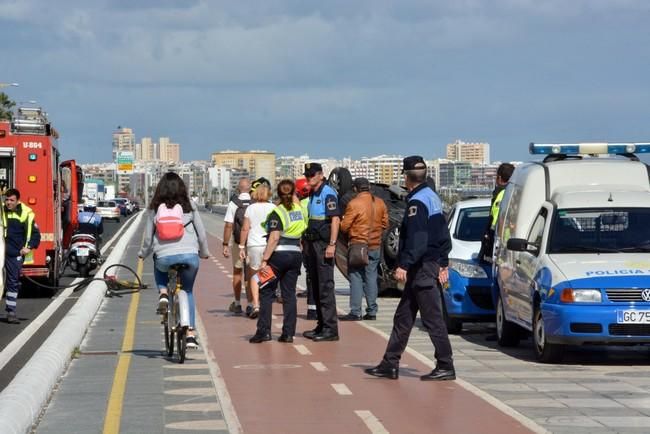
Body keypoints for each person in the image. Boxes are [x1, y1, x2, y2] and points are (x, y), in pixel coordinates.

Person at [365, 156, 455, 381]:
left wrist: (404, 264)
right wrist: (443, 261)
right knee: (403, 317)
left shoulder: (417, 203)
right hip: (428, 264)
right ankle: (390, 363)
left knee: (433, 318)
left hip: (421, 267)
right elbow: (443, 235)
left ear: (406, 178)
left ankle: (445, 365)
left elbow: (418, 238)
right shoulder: (432, 197)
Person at [138, 172, 211, 349]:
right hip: (190, 256)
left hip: (164, 256)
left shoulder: (155, 208)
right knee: (187, 290)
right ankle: (191, 333)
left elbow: (148, 238)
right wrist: (204, 252)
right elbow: (201, 233)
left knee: (158, 266)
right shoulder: (190, 206)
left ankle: (163, 293)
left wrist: (143, 254)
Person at [249, 180, 307, 343]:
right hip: (296, 255)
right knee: (289, 294)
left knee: (266, 289)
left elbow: (274, 237)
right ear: (294, 193)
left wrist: (265, 260)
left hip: (278, 257)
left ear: (278, 194)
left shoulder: (278, 212)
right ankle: (288, 333)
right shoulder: (300, 210)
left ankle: (263, 331)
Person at [301, 163, 341, 342]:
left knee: (325, 286)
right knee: (315, 285)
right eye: (307, 175)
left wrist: (332, 244)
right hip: (311, 243)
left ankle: (330, 329)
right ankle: (321, 324)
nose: (309, 178)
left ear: (321, 175)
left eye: (312, 175)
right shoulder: (312, 193)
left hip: (323, 245)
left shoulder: (328, 193)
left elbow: (335, 220)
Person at [339, 177, 388, 321]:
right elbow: (385, 223)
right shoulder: (380, 203)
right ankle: (372, 311)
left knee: (355, 277)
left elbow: (344, 226)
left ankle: (355, 311)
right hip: (375, 245)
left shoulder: (354, 204)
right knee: (371, 277)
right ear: (369, 188)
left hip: (358, 244)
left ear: (355, 189)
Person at [238, 179, 275, 319]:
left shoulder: (250, 208)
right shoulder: (273, 208)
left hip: (253, 245)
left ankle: (255, 304)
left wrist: (241, 246)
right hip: (268, 245)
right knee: (267, 274)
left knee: (254, 276)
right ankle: (266, 303)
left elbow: (245, 228)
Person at [3, 188, 40, 324]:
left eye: (11, 200)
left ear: (18, 201)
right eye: (6, 200)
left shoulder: (26, 213)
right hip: (1, 253)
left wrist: (28, 247)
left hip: (14, 255)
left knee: (12, 283)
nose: (8, 203)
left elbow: (36, 235)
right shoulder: (2, 211)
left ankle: (10, 312)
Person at [222, 177, 252, 314]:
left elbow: (229, 225)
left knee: (237, 272)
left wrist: (225, 244)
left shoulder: (234, 203)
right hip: (253, 243)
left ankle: (238, 303)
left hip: (238, 243)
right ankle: (252, 303)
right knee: (251, 274)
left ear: (239, 188)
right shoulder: (255, 202)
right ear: (250, 188)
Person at [478, 163, 515, 263]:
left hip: (500, 244)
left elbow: (498, 220)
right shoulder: (513, 193)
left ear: (499, 178)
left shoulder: (502, 194)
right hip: (508, 244)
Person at [295, 177, 317, 320]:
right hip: (319, 242)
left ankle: (311, 310)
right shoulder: (315, 201)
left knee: (310, 274)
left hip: (306, 242)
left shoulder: (300, 205)